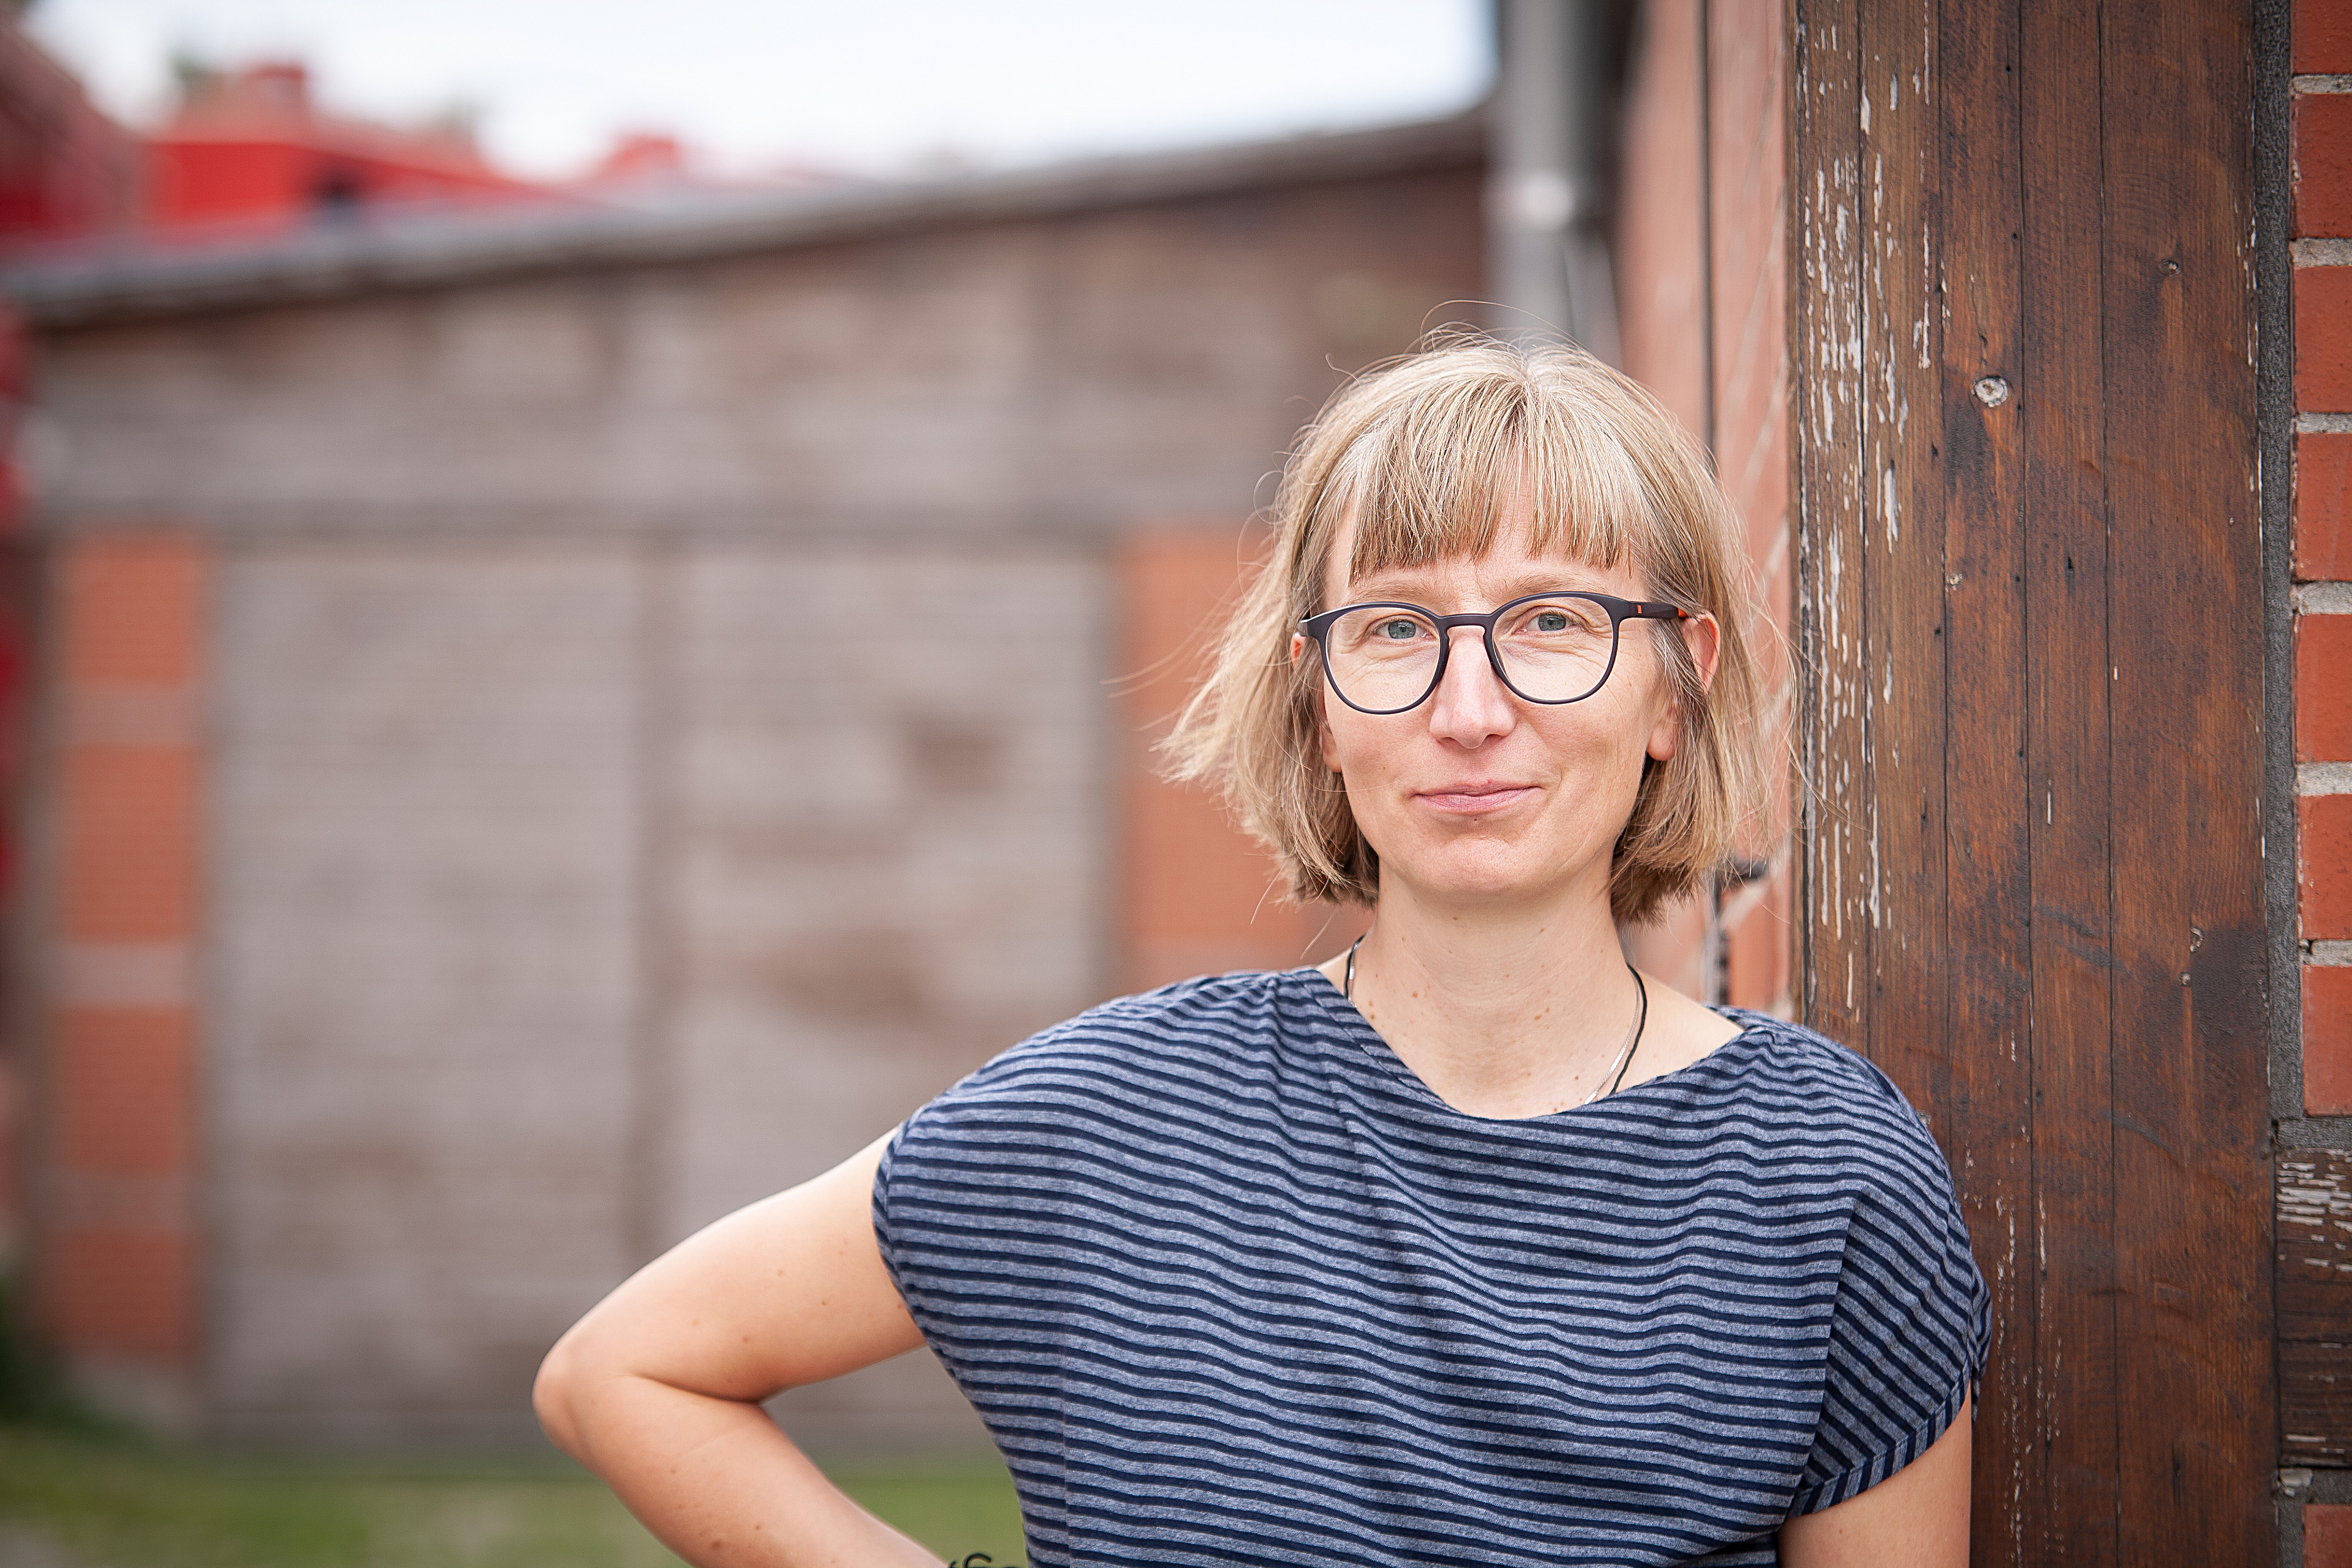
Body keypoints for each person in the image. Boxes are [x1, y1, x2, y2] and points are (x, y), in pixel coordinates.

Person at [534, 335, 1989, 1567]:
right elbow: (626, 1371)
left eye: (1552, 621)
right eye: (1395, 628)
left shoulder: (1827, 1173)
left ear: (1677, 686)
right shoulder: (1115, 1115)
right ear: (1318, 704)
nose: (1469, 710)